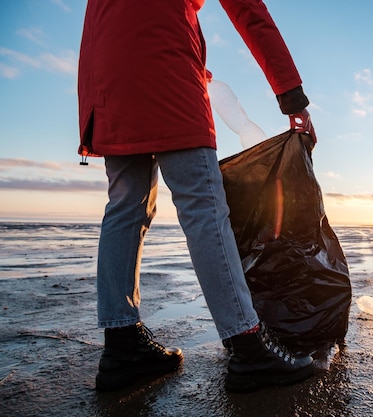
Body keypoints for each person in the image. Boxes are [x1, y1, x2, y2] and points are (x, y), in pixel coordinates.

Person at [77, 0, 315, 393]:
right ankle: (247, 344)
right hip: (166, 72)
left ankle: (121, 346)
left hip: (105, 75)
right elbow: (248, 11)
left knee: (124, 206)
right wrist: (292, 97)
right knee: (203, 204)